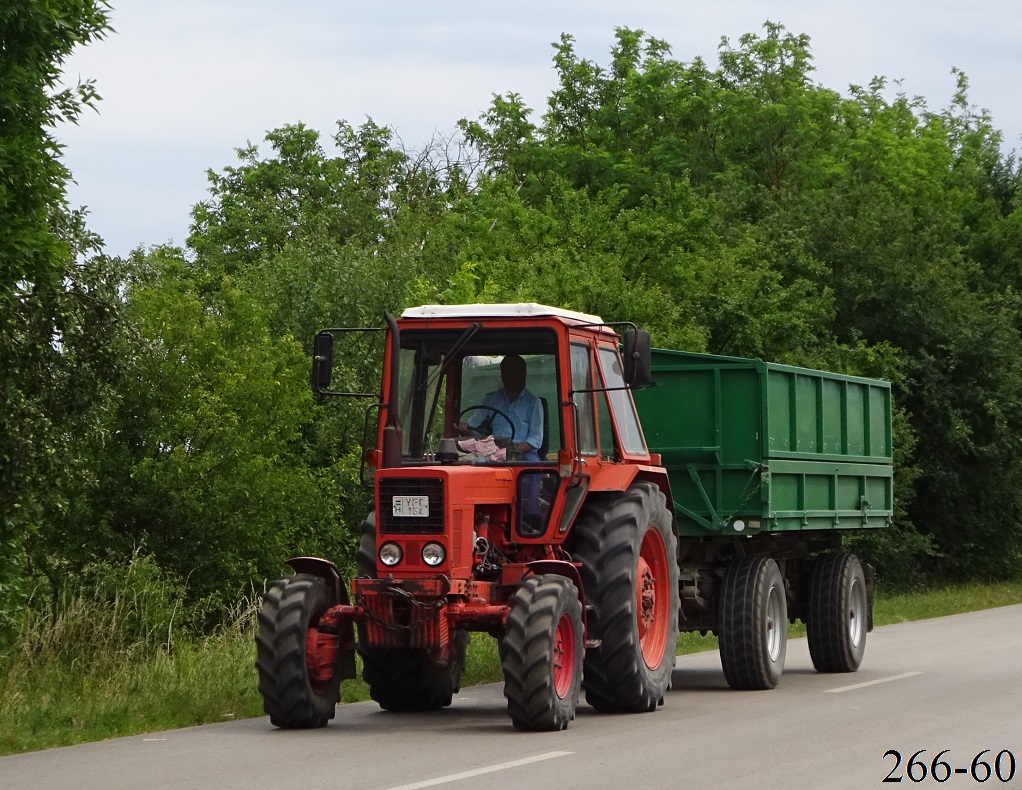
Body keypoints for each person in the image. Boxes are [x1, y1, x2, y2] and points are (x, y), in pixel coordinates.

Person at [461, 354, 543, 461]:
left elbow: (536, 438)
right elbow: (474, 425)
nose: (513, 378)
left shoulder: (533, 402)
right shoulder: (491, 399)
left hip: (522, 453)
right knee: (476, 462)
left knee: (533, 467)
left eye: (516, 374)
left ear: (524, 376)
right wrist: (465, 428)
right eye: (509, 374)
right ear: (502, 376)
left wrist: (514, 448)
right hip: (493, 449)